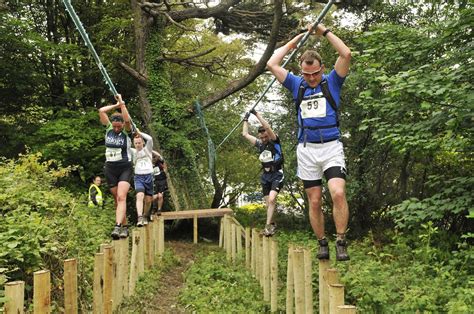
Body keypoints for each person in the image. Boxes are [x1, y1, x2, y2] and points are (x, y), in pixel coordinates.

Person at [266, 24, 351, 261]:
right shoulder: (296, 84)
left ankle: (341, 240)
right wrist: (295, 40)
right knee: (314, 201)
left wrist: (323, 32)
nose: (312, 78)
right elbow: (272, 64)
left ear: (322, 69)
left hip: (331, 146)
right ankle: (322, 241)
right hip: (307, 150)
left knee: (337, 192)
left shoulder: (332, 81)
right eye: (307, 74)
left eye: (315, 73)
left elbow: (346, 54)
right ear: (301, 72)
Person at [242, 109, 284, 237]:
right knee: (268, 204)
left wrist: (257, 114)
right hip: (266, 177)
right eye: (262, 137)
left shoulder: (275, 141)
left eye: (266, 136)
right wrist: (245, 119)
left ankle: (267, 228)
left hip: (277, 174)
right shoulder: (260, 144)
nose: (264, 138)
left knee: (272, 200)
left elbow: (267, 127)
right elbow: (245, 134)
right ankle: (272, 225)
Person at [99, 94, 133, 240]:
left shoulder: (126, 131)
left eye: (119, 127)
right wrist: (116, 105)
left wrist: (122, 104)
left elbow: (127, 120)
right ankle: (125, 227)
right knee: (117, 200)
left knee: (121, 197)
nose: (117, 129)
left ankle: (117, 226)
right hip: (110, 169)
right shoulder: (108, 128)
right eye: (115, 126)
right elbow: (101, 111)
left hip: (124, 168)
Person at [131, 130, 154, 227]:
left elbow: (150, 139)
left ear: (142, 143)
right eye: (136, 143)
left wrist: (139, 133)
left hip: (149, 176)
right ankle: (139, 217)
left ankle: (145, 215)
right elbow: (126, 145)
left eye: (139, 143)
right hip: (138, 177)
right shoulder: (132, 151)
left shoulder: (147, 149)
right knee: (139, 196)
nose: (138, 145)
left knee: (148, 200)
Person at [151, 150, 168, 217]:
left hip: (162, 180)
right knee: (154, 197)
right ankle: (153, 208)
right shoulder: (148, 163)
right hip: (154, 181)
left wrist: (151, 151)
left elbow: (159, 155)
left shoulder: (159, 160)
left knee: (160, 196)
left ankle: (159, 210)